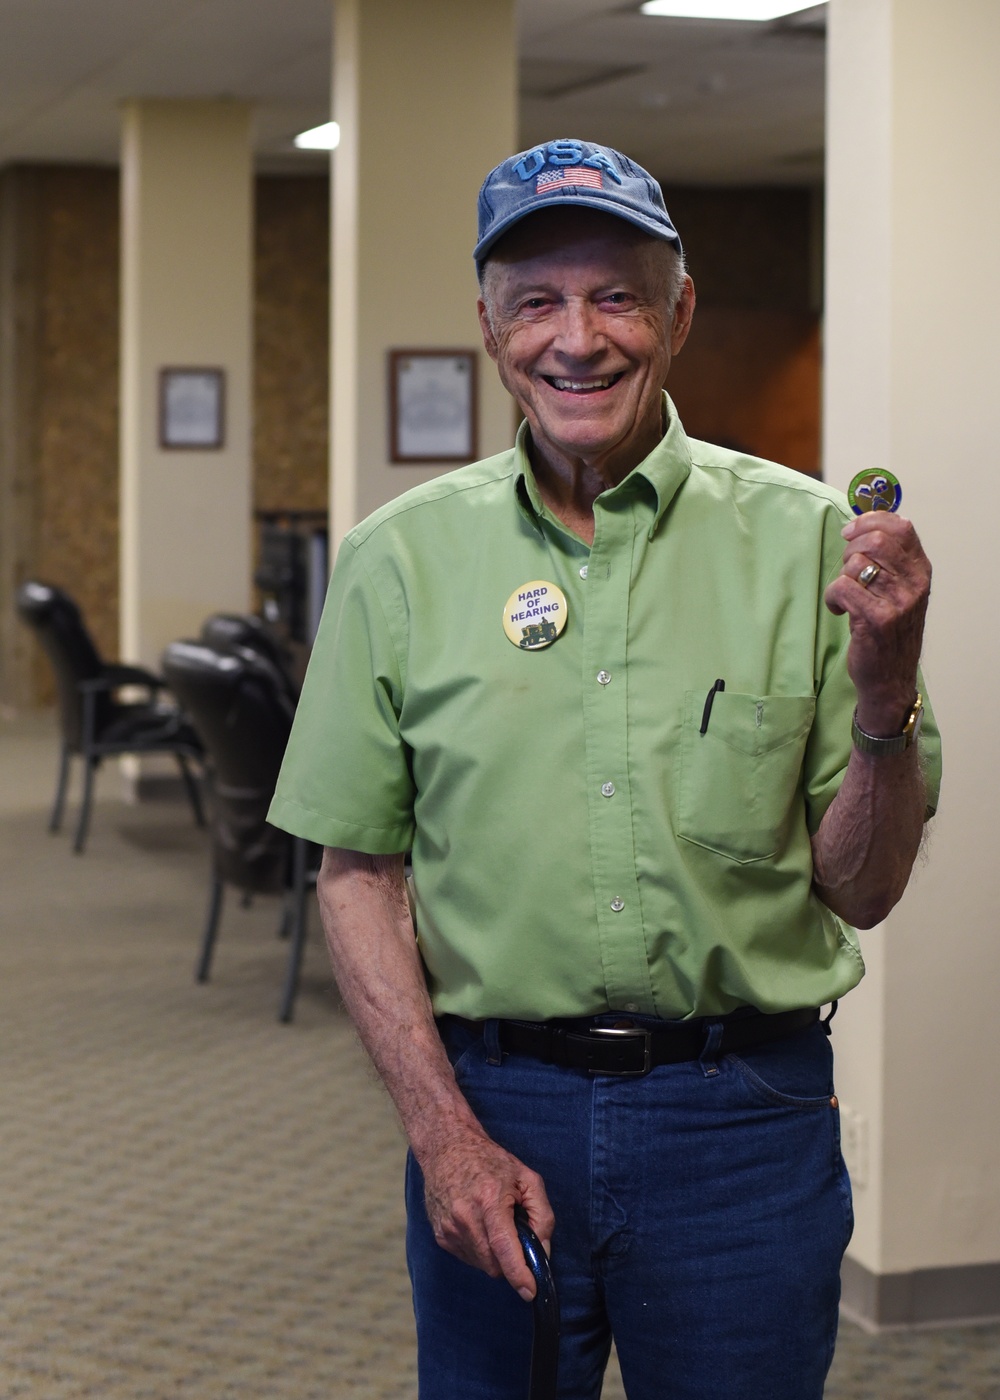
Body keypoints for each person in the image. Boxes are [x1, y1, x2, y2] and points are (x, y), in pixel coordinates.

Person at [268, 139, 941, 1399]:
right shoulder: (398, 559)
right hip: (493, 1108)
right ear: (489, 328)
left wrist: (886, 698)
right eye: (536, 302)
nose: (576, 339)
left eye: (615, 296)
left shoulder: (807, 542)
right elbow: (354, 870)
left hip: (742, 1121)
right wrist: (441, 1134)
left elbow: (863, 882)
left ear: (678, 313)